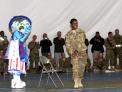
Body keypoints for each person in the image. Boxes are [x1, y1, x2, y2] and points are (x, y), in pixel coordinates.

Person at [5, 16, 32, 88]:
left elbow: (22, 42)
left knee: (19, 66)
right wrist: (27, 33)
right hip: (15, 54)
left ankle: (18, 80)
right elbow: (21, 40)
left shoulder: (19, 33)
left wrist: (26, 33)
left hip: (19, 53)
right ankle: (15, 81)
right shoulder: (16, 32)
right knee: (16, 66)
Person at [65, 18, 87, 88]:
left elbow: (84, 40)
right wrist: (72, 51)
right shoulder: (68, 34)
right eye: (74, 23)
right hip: (74, 53)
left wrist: (82, 49)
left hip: (82, 52)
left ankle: (80, 80)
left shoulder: (82, 31)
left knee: (82, 67)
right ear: (71, 25)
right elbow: (67, 44)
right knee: (75, 67)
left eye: (77, 23)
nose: (76, 24)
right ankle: (76, 81)